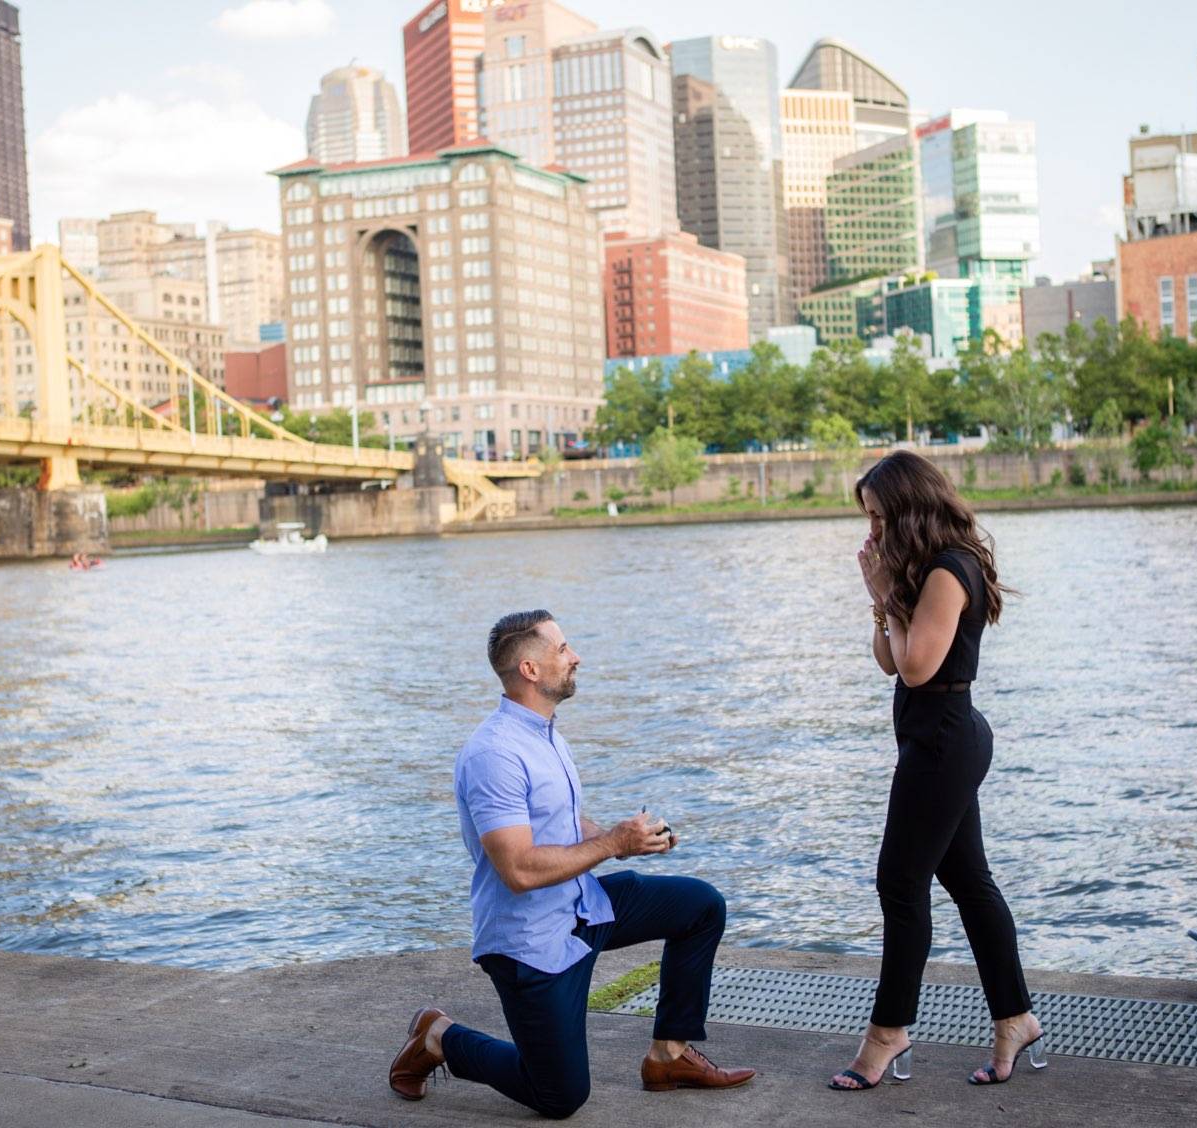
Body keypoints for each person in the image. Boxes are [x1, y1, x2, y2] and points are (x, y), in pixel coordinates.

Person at [389, 610, 756, 1118]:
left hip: (585, 908)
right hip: (531, 944)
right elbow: (517, 870)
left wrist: (625, 838)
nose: (576, 655)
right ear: (531, 670)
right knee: (560, 1097)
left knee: (700, 906)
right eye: (563, 649)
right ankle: (438, 1038)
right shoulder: (493, 754)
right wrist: (610, 846)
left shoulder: (546, 734)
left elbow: (562, 823)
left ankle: (669, 1056)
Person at [829, 451, 1046, 1091]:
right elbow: (889, 663)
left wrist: (882, 594)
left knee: (899, 883)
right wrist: (885, 599)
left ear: (907, 510)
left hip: (945, 742)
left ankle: (888, 1033)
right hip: (932, 740)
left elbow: (918, 667)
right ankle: (1016, 1017)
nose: (870, 534)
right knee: (970, 883)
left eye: (877, 519)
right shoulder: (921, 571)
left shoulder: (951, 570)